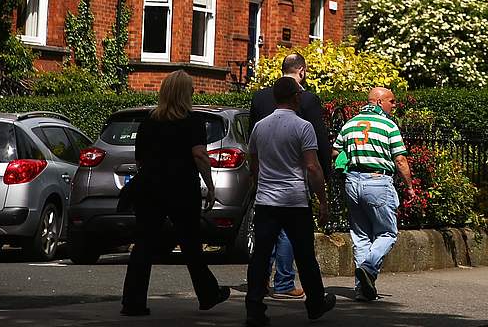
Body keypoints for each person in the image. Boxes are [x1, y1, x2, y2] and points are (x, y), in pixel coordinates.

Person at [120, 70, 229, 316]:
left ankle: (133, 302)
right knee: (191, 243)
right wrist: (210, 186)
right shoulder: (192, 121)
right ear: (183, 93)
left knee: (144, 244)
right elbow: (200, 155)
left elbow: (139, 160)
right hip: (181, 188)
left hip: (149, 188)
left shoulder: (149, 121)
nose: (193, 92)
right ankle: (208, 294)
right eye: (190, 89)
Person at [246, 76, 336, 326]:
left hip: (266, 200)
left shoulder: (260, 127)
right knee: (305, 255)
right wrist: (323, 200)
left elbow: (253, 163)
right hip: (295, 200)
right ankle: (316, 303)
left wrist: (257, 185)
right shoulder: (303, 127)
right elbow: (312, 166)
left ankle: (254, 308)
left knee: (261, 256)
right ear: (296, 97)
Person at [332, 87, 416, 302]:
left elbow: (335, 151)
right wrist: (409, 186)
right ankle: (368, 269)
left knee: (360, 237)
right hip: (377, 182)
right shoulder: (389, 125)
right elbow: (400, 160)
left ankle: (362, 290)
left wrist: (348, 159)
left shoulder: (350, 123)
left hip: (352, 183)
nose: (394, 105)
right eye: (391, 100)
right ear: (379, 102)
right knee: (387, 233)